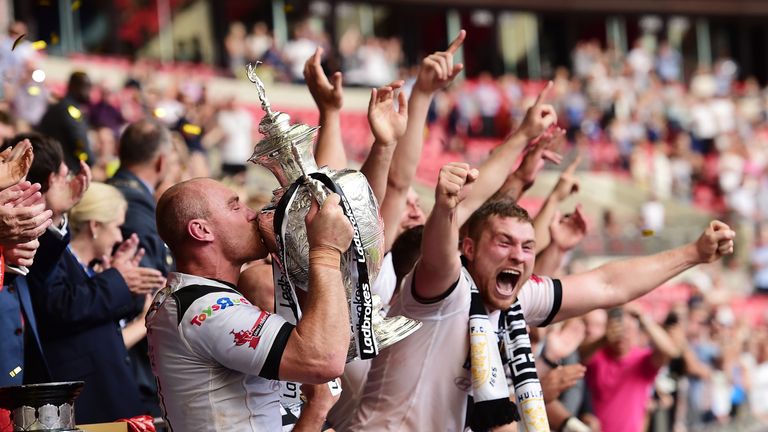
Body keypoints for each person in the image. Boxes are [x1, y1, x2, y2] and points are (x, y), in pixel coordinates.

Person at [346, 162, 734, 431]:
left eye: (528, 247)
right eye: (504, 243)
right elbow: (437, 253)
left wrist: (693, 254)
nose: (518, 255)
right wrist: (446, 206)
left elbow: (608, 285)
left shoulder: (517, 299)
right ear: (469, 248)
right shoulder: (444, 289)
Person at [147, 178, 353, 431]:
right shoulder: (206, 311)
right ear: (201, 230)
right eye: (235, 207)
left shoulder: (193, 299)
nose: (252, 214)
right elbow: (324, 359)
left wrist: (290, 256)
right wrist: (326, 251)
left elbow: (316, 334)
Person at [28, 179, 164, 423]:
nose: (119, 236)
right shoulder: (56, 258)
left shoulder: (89, 268)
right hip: (88, 401)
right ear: (95, 226)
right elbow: (64, 307)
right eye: (117, 226)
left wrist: (120, 280)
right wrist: (117, 281)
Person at [108, 119, 175, 416]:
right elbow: (146, 287)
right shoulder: (134, 204)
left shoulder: (116, 190)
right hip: (133, 363)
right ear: (161, 161)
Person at [582, 305, 680, 432]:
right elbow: (580, 354)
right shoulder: (597, 355)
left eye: (627, 330)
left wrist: (644, 318)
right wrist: (605, 339)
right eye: (617, 330)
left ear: (636, 333)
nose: (622, 335)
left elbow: (669, 351)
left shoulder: (643, 360)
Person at [38, 71, 94, 171]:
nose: (88, 92)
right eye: (85, 86)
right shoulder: (71, 111)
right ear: (73, 87)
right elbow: (79, 142)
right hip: (66, 168)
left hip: (50, 164)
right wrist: (91, 161)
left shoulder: (56, 107)